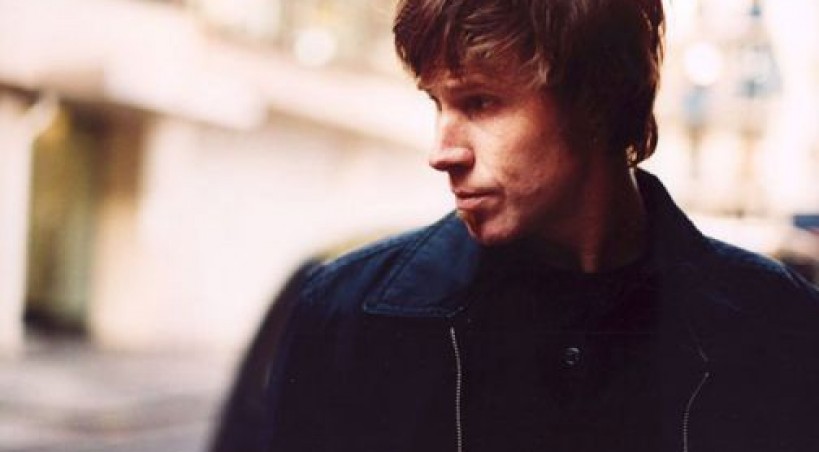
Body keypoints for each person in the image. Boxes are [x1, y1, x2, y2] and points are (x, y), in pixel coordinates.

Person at [210, 0, 819, 451]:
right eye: (437, 103)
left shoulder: (779, 329)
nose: (442, 151)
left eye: (480, 103)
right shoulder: (346, 317)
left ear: (598, 98)